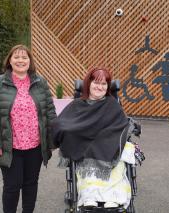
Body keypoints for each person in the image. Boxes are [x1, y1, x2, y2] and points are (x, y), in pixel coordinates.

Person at [0, 44, 57, 213]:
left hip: (35, 145)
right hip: (11, 147)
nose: (20, 60)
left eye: (24, 57)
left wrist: (53, 138)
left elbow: (50, 112)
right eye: (16, 57)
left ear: (29, 61)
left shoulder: (40, 82)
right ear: (10, 60)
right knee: (12, 186)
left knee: (31, 184)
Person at [52, 67, 135, 210]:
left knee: (119, 158)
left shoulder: (112, 105)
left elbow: (121, 126)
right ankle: (89, 196)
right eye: (96, 82)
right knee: (87, 157)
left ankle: (113, 197)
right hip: (84, 149)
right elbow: (63, 124)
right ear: (88, 84)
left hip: (109, 148)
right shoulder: (77, 104)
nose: (100, 87)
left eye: (104, 84)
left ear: (108, 87)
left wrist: (103, 136)